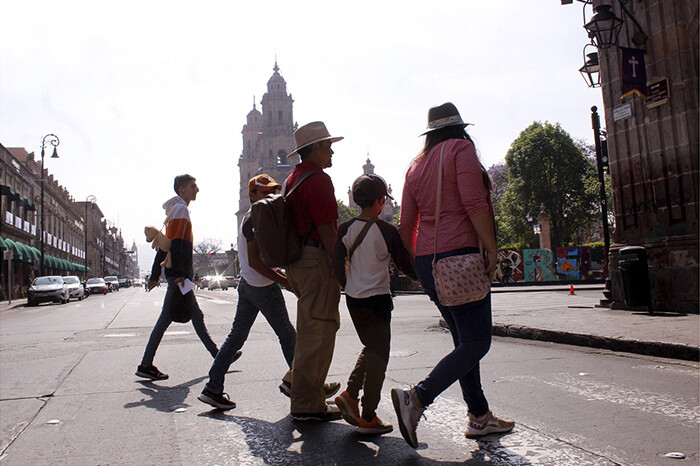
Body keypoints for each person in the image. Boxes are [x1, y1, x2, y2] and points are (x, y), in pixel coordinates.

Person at [392, 103, 514, 447]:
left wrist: (418, 266)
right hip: (459, 257)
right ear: (459, 127)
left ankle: (479, 417)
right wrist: (491, 249)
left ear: (430, 132)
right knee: (477, 342)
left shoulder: (415, 166)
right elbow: (474, 204)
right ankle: (417, 398)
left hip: (429, 262)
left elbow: (406, 225)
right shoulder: (461, 149)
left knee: (464, 342)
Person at [198, 174, 297, 410]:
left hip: (248, 285)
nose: (270, 197)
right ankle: (301, 386)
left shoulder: (253, 216)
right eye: (264, 193)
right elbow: (255, 261)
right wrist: (284, 280)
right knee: (288, 335)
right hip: (262, 286)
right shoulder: (254, 218)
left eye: (273, 192)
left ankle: (213, 388)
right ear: (252, 195)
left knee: (236, 338)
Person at [331, 174, 417, 435]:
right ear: (381, 201)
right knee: (379, 357)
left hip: (354, 301)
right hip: (378, 301)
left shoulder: (344, 229)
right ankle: (368, 415)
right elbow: (405, 265)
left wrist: (350, 283)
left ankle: (350, 394)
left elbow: (336, 266)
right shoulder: (387, 231)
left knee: (371, 348)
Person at [282, 121, 343, 422]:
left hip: (297, 262)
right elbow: (327, 231)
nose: (332, 151)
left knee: (314, 327)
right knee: (317, 330)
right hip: (315, 259)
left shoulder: (293, 178)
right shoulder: (318, 180)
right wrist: (339, 266)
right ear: (315, 148)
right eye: (328, 145)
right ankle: (307, 402)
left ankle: (306, 385)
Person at [136, 175, 222, 381]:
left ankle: (220, 356)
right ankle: (146, 364)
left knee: (195, 316)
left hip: (178, 275)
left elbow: (164, 245)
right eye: (193, 186)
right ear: (182, 190)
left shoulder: (175, 210)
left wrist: (157, 275)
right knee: (166, 319)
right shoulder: (181, 210)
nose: (197, 189)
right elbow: (176, 245)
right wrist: (179, 275)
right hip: (179, 277)